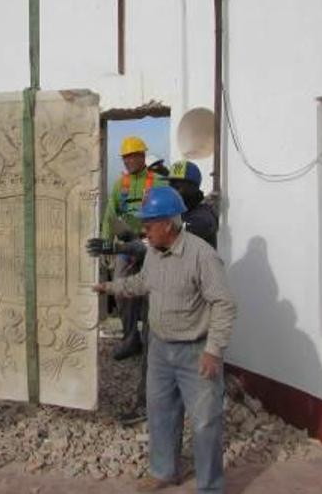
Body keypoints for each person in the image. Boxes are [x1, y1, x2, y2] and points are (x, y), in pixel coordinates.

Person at [94, 186, 235, 493]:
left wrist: (214, 350)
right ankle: (164, 471)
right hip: (159, 349)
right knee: (161, 414)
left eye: (149, 224)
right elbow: (142, 283)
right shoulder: (154, 254)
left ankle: (210, 486)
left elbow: (224, 304)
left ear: (168, 225)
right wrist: (110, 288)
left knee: (205, 423)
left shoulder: (202, 256)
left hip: (196, 352)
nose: (144, 230)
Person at [96, 136, 166, 361]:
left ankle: (152, 340)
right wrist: (107, 247)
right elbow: (109, 216)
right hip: (127, 246)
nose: (127, 161)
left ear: (142, 156)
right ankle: (130, 338)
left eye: (131, 156)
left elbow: (168, 213)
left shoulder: (158, 182)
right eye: (125, 158)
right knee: (121, 290)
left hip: (152, 244)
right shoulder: (120, 185)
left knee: (153, 293)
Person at [168, 160, 218, 249]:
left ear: (193, 187)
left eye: (177, 187)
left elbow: (172, 236)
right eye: (170, 186)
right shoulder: (181, 211)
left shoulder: (203, 216)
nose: (172, 192)